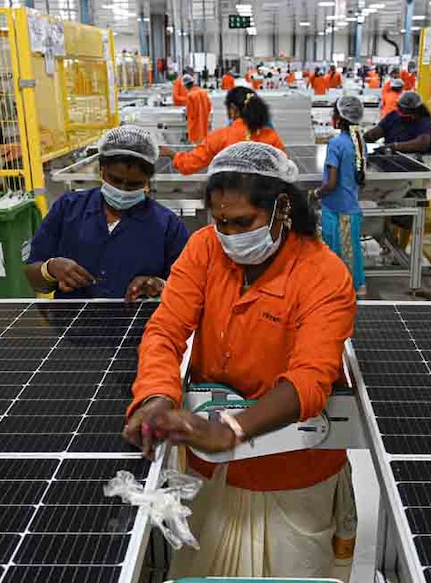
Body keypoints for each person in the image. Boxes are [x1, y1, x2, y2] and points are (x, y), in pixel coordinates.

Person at [123, 141, 358, 579]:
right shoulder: (203, 250)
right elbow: (166, 330)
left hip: (292, 475)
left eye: (242, 222)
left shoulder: (323, 275)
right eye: (220, 222)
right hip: (210, 472)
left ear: (282, 208)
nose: (229, 236)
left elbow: (310, 378)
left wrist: (232, 429)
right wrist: (155, 395)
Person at [25, 126, 188, 300]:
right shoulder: (68, 209)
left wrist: (159, 284)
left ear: (147, 182)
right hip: (72, 324)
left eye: (134, 184)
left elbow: (187, 286)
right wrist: (50, 269)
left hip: (139, 325)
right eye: (115, 180)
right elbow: (34, 277)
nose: (122, 189)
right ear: (101, 170)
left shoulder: (167, 226)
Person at [163, 87, 287, 175]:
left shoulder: (219, 137)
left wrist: (172, 154)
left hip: (228, 207)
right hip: (263, 207)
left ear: (233, 109)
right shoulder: (271, 137)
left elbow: (190, 164)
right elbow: (284, 169)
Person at [314, 96, 366, 296]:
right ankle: (351, 293)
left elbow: (332, 183)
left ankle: (337, 296)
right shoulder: (359, 143)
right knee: (352, 256)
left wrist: (316, 194)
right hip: (351, 209)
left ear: (339, 118)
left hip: (335, 210)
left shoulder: (336, 144)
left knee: (334, 257)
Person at [365, 90, 431, 154]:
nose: (401, 112)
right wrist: (367, 137)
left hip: (412, 158)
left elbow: (423, 143)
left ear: (416, 110)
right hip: (389, 156)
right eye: (400, 107)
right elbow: (378, 131)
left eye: (405, 110)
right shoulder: (393, 116)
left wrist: (395, 146)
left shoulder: (423, 121)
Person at [184, 75, 212, 144]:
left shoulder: (190, 95)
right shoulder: (203, 92)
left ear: (186, 85)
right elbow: (209, 106)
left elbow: (191, 113)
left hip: (195, 127)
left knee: (196, 147)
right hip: (204, 124)